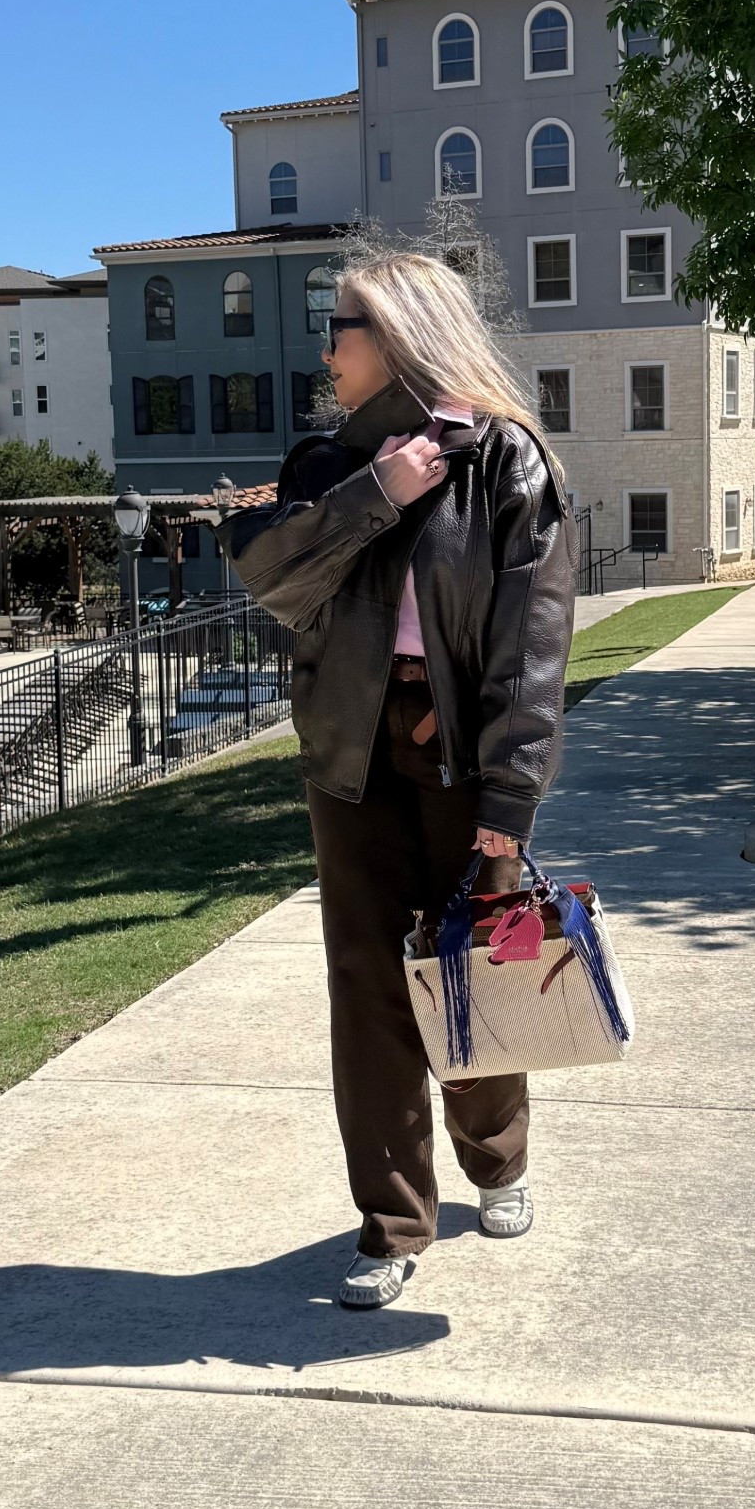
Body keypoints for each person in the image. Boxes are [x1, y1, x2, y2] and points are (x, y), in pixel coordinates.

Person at [212, 252, 577, 1309]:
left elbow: (533, 649)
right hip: (350, 757)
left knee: (469, 970)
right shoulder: (328, 464)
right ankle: (391, 1223)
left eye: (344, 327)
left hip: (461, 756)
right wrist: (379, 490)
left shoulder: (507, 460)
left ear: (405, 333)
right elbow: (272, 578)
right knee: (367, 989)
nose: (327, 350)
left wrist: (509, 807)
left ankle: (498, 1160)